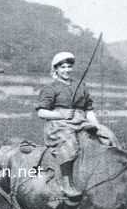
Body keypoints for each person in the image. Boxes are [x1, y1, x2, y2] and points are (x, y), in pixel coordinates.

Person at [36, 52, 105, 199]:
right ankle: (66, 182)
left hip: (81, 121)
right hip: (59, 124)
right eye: (63, 67)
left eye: (69, 66)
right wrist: (62, 115)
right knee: (69, 144)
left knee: (107, 137)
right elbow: (41, 112)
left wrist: (97, 125)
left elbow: (89, 110)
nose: (67, 70)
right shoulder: (51, 88)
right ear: (56, 69)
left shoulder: (81, 86)